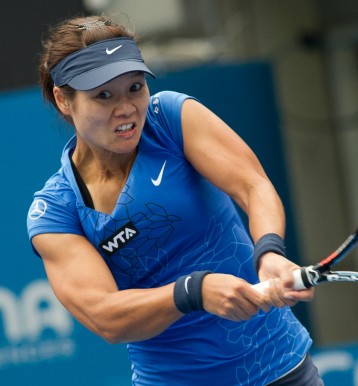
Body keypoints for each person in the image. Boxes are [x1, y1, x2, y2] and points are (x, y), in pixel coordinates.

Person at [27, 15, 323, 386]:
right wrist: (192, 292)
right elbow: (106, 316)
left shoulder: (170, 118)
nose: (125, 108)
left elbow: (252, 186)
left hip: (280, 368)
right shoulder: (55, 211)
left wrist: (270, 251)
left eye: (135, 87)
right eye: (103, 95)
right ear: (63, 99)